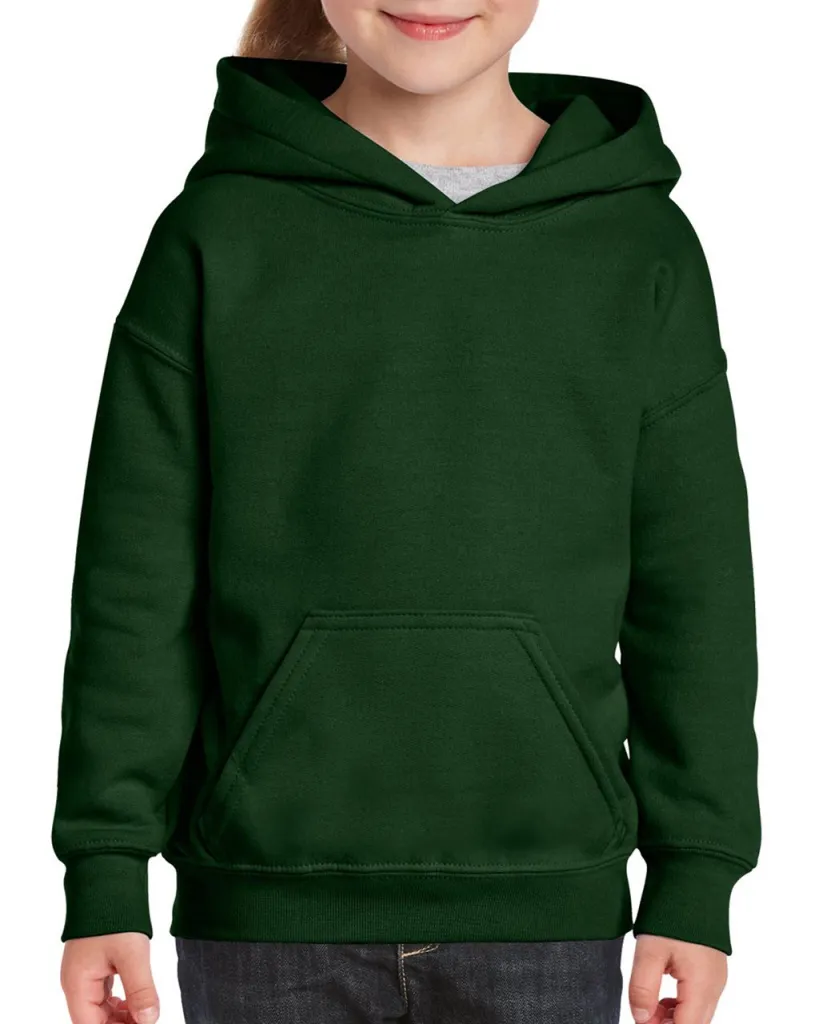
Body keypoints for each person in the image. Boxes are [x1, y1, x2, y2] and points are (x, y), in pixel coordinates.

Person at [53, 2, 761, 1022]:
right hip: (263, 914)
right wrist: (104, 868)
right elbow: (135, 582)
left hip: (547, 910)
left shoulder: (638, 245)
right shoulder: (216, 232)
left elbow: (693, 592)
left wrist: (696, 876)